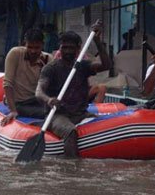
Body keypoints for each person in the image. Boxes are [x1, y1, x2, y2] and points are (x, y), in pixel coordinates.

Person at [35, 21, 111, 157]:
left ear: (78, 49)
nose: (68, 52)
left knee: (106, 126)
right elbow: (39, 91)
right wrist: (49, 100)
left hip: (81, 113)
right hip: (58, 115)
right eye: (64, 48)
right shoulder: (51, 68)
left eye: (71, 48)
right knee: (71, 132)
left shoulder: (83, 66)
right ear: (60, 48)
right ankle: (72, 168)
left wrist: (97, 41)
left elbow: (106, 65)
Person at [0, 28, 52, 126]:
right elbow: (7, 83)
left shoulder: (48, 59)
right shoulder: (15, 54)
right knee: (47, 113)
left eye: (37, 47)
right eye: (30, 47)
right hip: (19, 102)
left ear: (42, 45)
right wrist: (13, 111)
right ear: (25, 44)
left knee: (59, 110)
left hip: (37, 100)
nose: (33, 51)